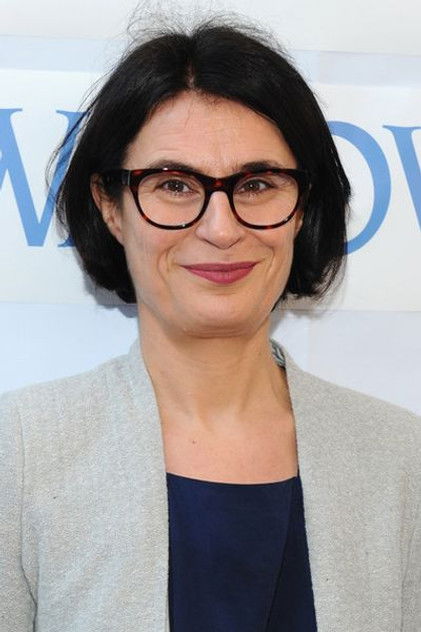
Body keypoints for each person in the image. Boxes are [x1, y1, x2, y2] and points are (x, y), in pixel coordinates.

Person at [1, 17, 420, 632]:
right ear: (110, 206)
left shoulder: (400, 459)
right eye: (174, 184)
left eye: (257, 184)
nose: (221, 228)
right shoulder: (20, 453)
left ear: (302, 209)